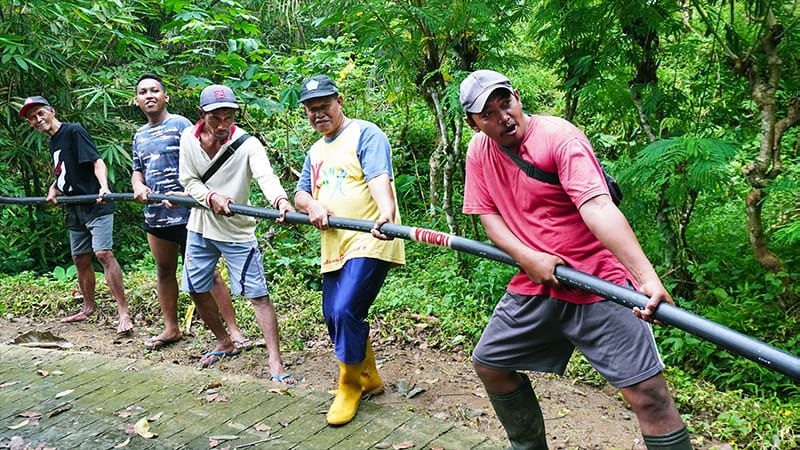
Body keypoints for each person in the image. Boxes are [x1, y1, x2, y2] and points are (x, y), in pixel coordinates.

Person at [459, 70, 692, 450]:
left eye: (506, 103)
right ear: (474, 123)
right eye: (488, 114)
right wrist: (527, 257)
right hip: (536, 283)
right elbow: (488, 216)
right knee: (491, 364)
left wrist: (646, 279)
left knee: (649, 396)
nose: (503, 117)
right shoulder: (479, 152)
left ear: (517, 97)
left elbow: (597, 206)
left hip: (598, 282)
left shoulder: (559, 137)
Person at [293, 75, 406, 426]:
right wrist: (311, 204)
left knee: (345, 310)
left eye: (324, 106)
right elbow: (300, 193)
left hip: (371, 236)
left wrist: (386, 213)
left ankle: (349, 384)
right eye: (311, 109)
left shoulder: (365, 134)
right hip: (334, 242)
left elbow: (378, 177)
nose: (318, 114)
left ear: (339, 101)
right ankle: (368, 377)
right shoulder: (315, 151)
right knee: (332, 314)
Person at [178, 84, 294, 381]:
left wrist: (280, 201)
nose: (222, 125)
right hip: (200, 226)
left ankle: (275, 362)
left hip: (238, 231)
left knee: (258, 295)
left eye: (228, 117)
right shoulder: (188, 139)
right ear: (201, 115)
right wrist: (211, 197)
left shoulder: (247, 145)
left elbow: (266, 176)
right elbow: (188, 180)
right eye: (215, 118)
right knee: (195, 287)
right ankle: (224, 341)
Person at [131, 73, 252, 351]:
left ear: (165, 96)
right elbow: (138, 169)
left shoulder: (181, 125)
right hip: (156, 215)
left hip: (190, 214)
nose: (149, 95)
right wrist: (138, 185)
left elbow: (205, 162)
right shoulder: (139, 135)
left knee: (208, 274)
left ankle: (234, 331)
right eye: (143, 92)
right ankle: (171, 328)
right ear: (136, 100)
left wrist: (200, 196)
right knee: (164, 270)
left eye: (154, 90)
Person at [20, 95, 133, 336]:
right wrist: (54, 188)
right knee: (80, 258)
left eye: (40, 113)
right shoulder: (53, 141)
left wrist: (104, 188)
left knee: (103, 254)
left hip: (95, 203)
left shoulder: (73, 131)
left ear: (51, 111)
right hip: (74, 206)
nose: (37, 119)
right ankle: (88, 307)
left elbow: (97, 161)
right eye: (32, 118)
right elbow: (64, 172)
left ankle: (123, 312)